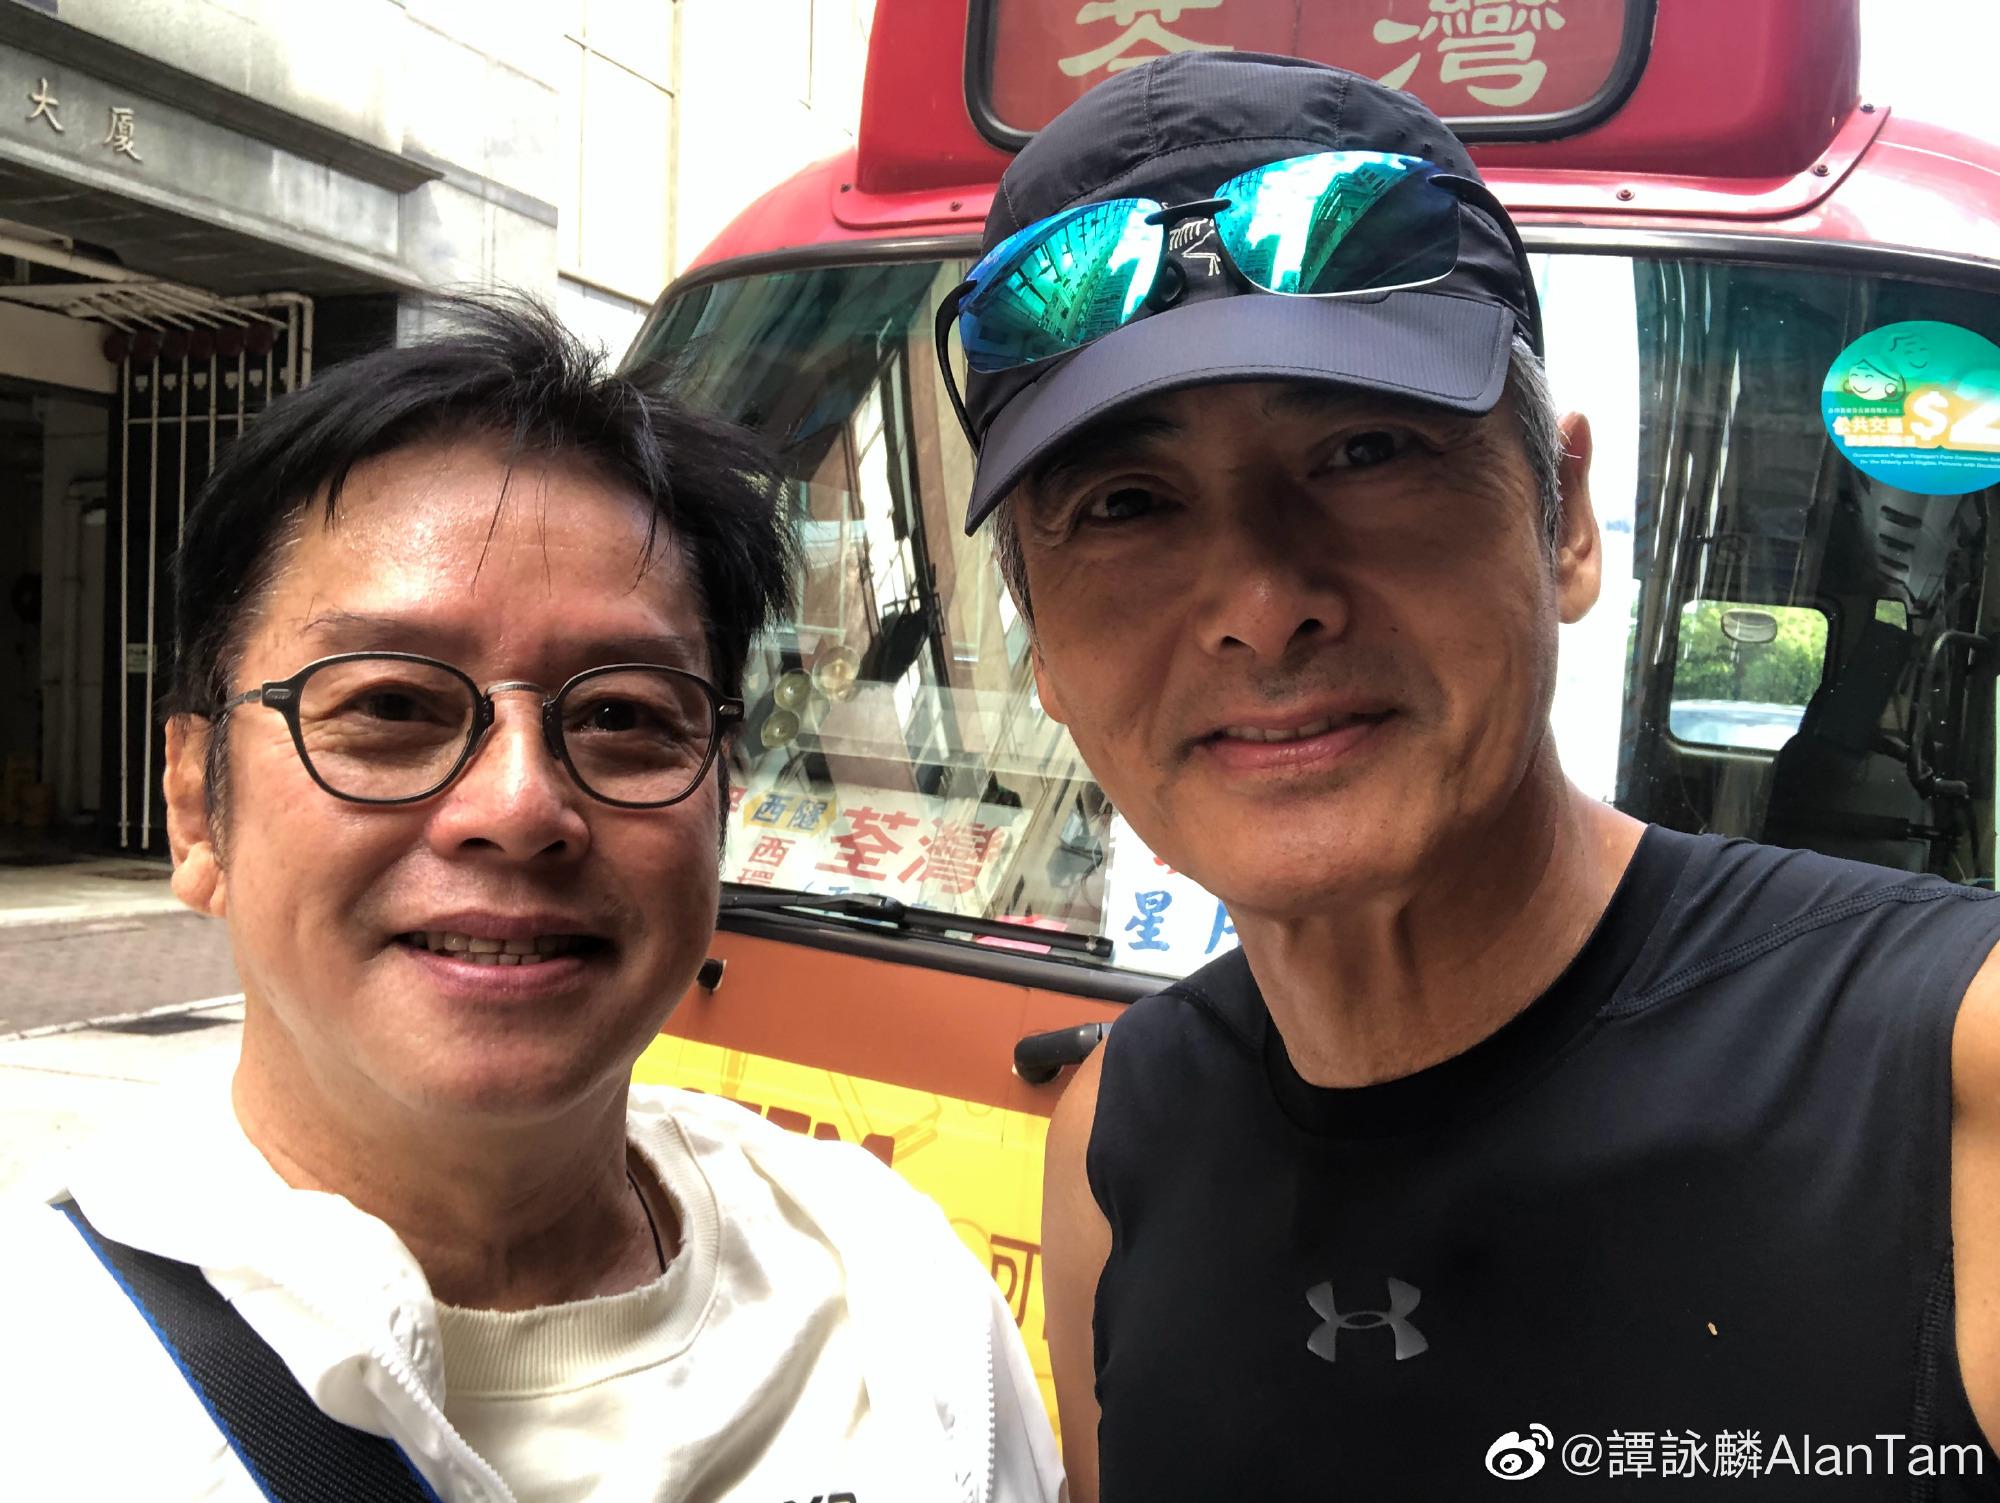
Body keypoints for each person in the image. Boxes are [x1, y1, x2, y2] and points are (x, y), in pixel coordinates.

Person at [938, 53, 2000, 1500]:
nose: (1262, 602)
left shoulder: (1945, 1073)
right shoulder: (1117, 1142)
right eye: (1127, 504)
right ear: (1044, 655)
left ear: (1565, 522)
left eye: (1364, 449)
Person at [1, 298, 1061, 1503]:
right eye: (390, 707)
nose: (518, 806)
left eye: (622, 716)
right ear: (198, 807)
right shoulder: (47, 1383)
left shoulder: (890, 1300)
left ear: (721, 794)